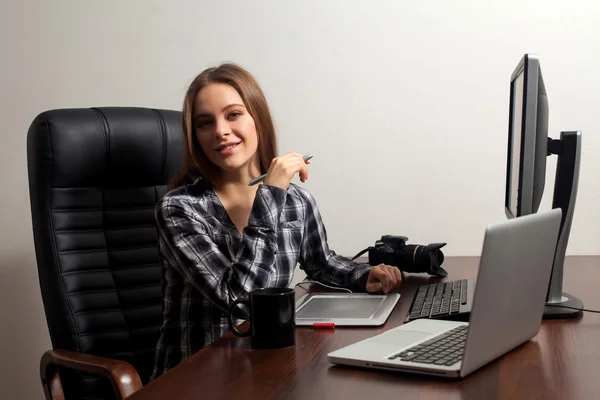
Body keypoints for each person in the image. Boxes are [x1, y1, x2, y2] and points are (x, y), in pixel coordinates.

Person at [150, 63, 402, 379]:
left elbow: (321, 263)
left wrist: (363, 275)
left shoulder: (296, 200)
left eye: (233, 114)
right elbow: (240, 300)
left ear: (258, 118)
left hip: (269, 364)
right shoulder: (179, 209)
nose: (220, 131)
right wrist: (270, 194)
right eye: (205, 123)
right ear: (195, 136)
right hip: (200, 377)